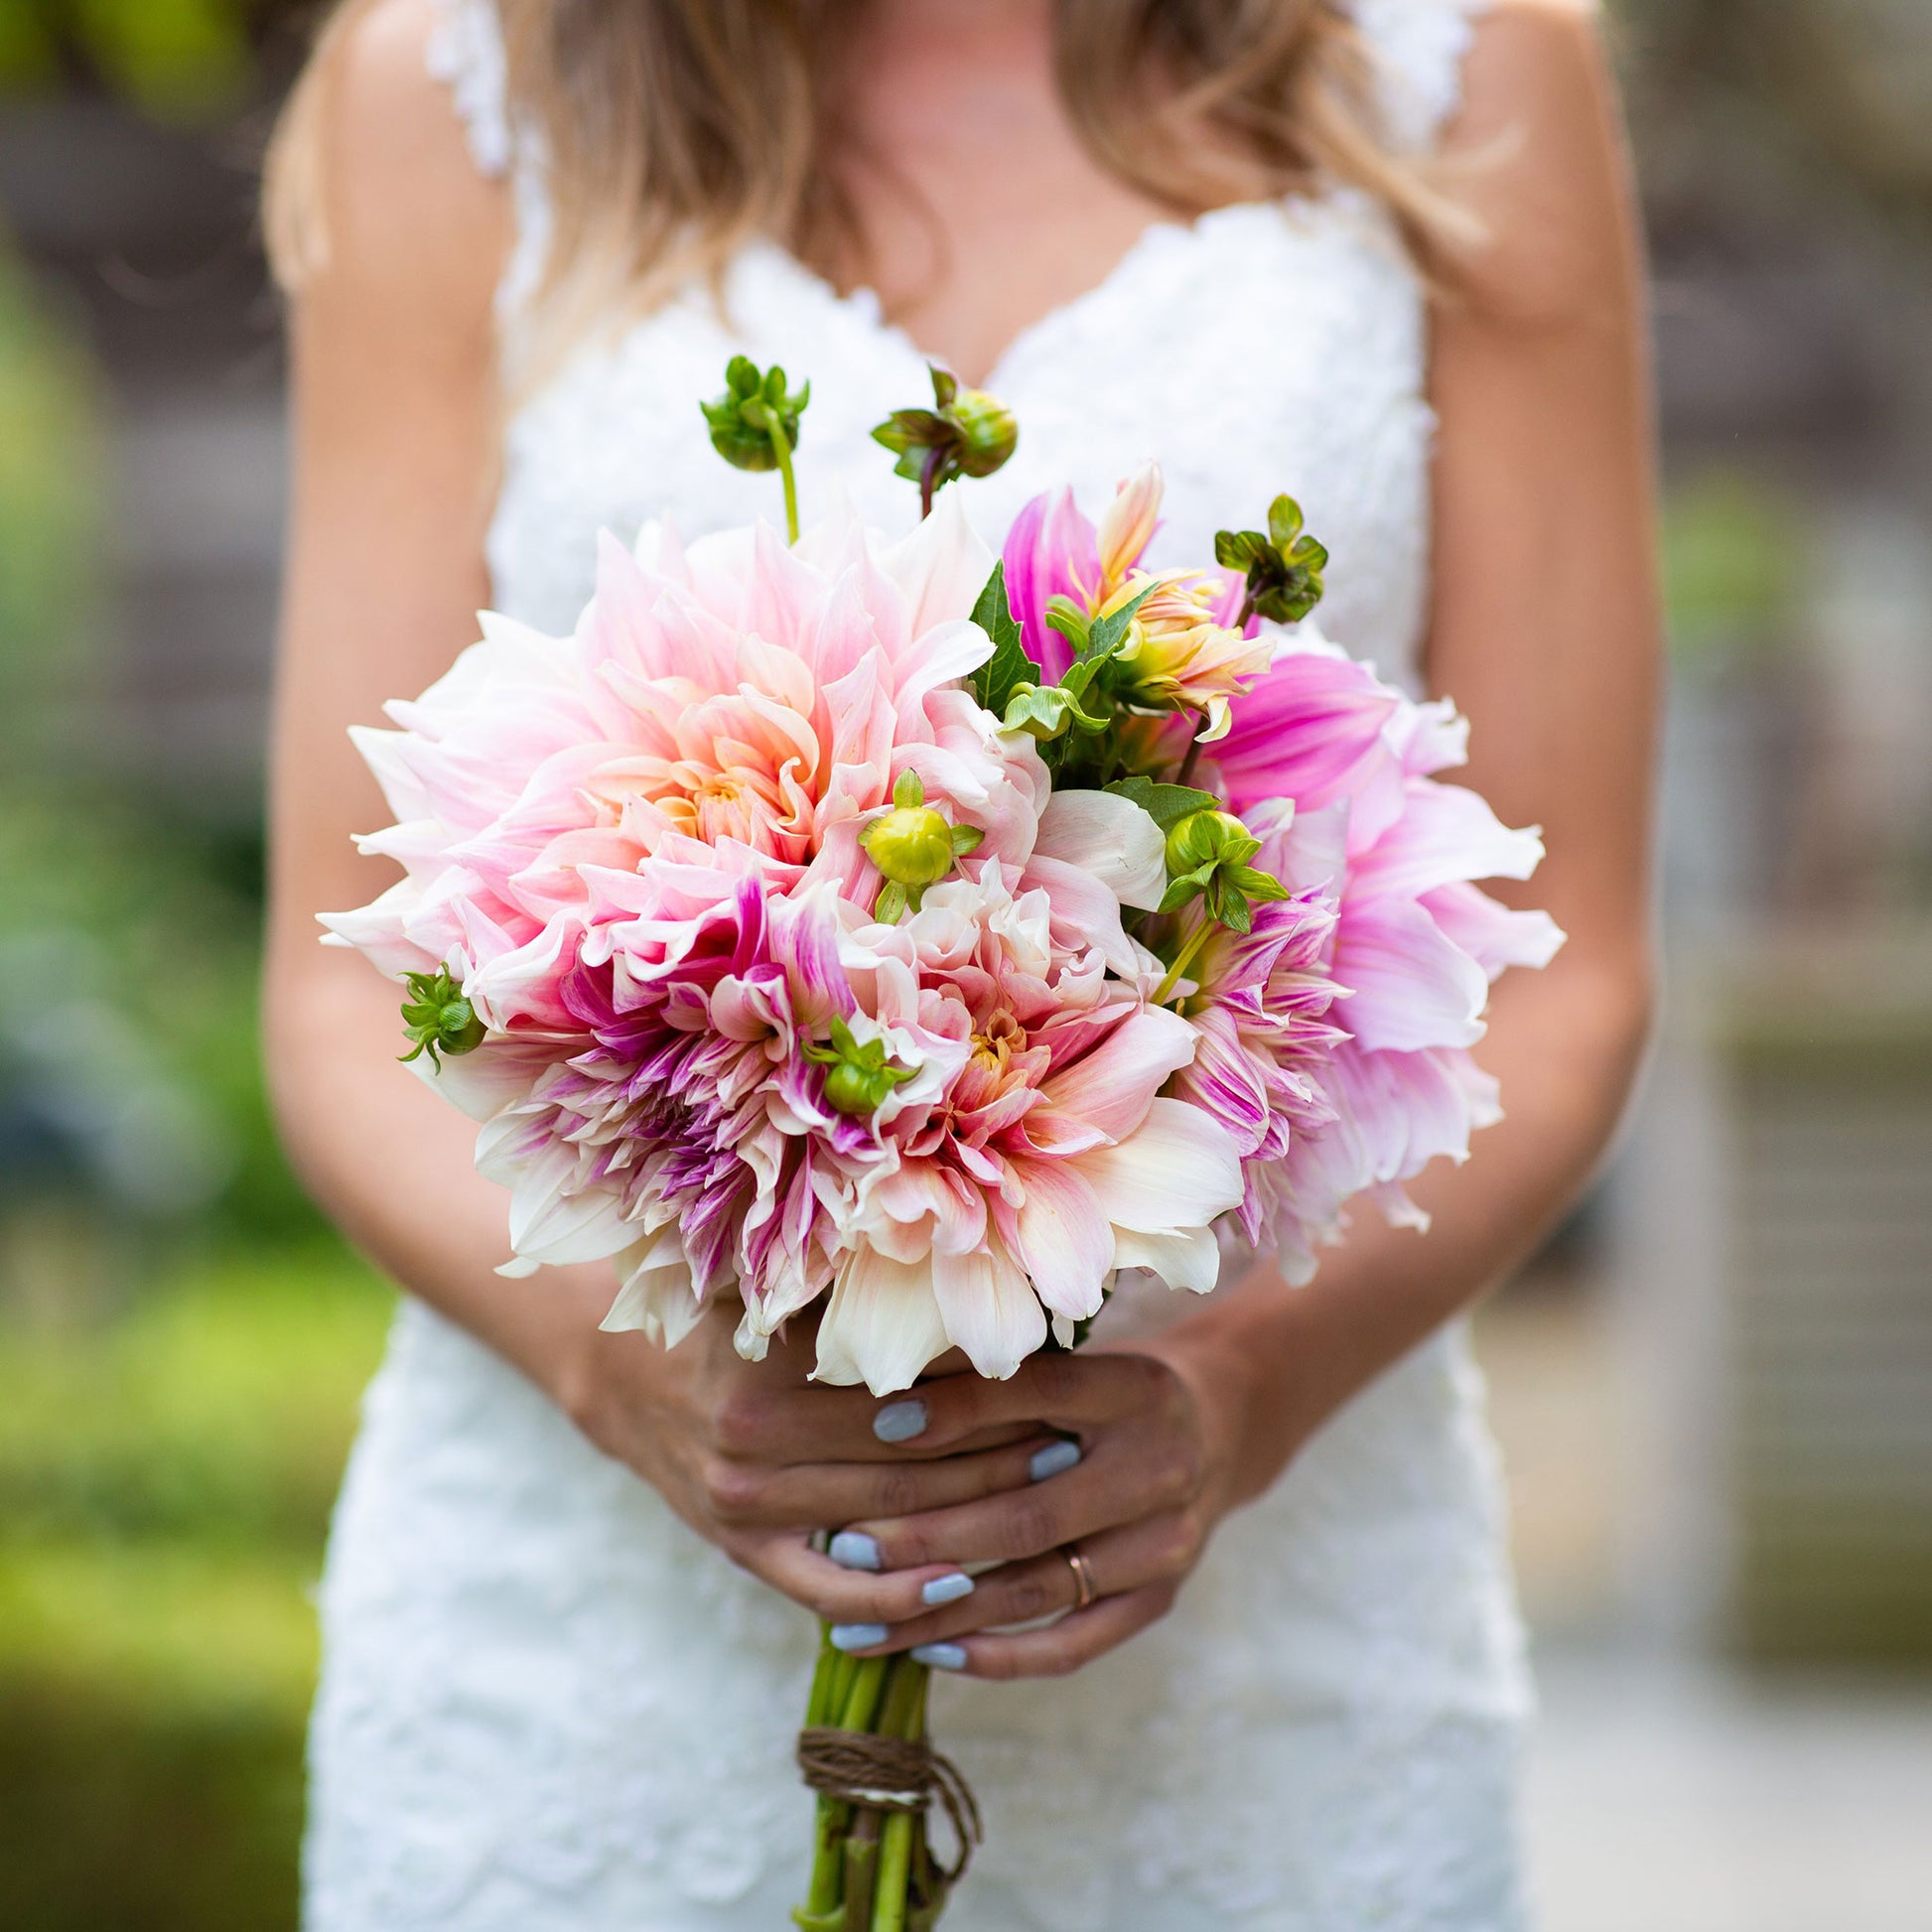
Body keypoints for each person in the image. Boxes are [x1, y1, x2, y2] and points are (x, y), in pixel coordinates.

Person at [262, 0, 1657, 1925]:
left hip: (1274, 1680)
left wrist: (1245, 1388)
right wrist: (629, 1370)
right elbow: (345, 990)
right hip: (584, 1671)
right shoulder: (451, 82)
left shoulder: (1467, 66)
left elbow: (1564, 961)